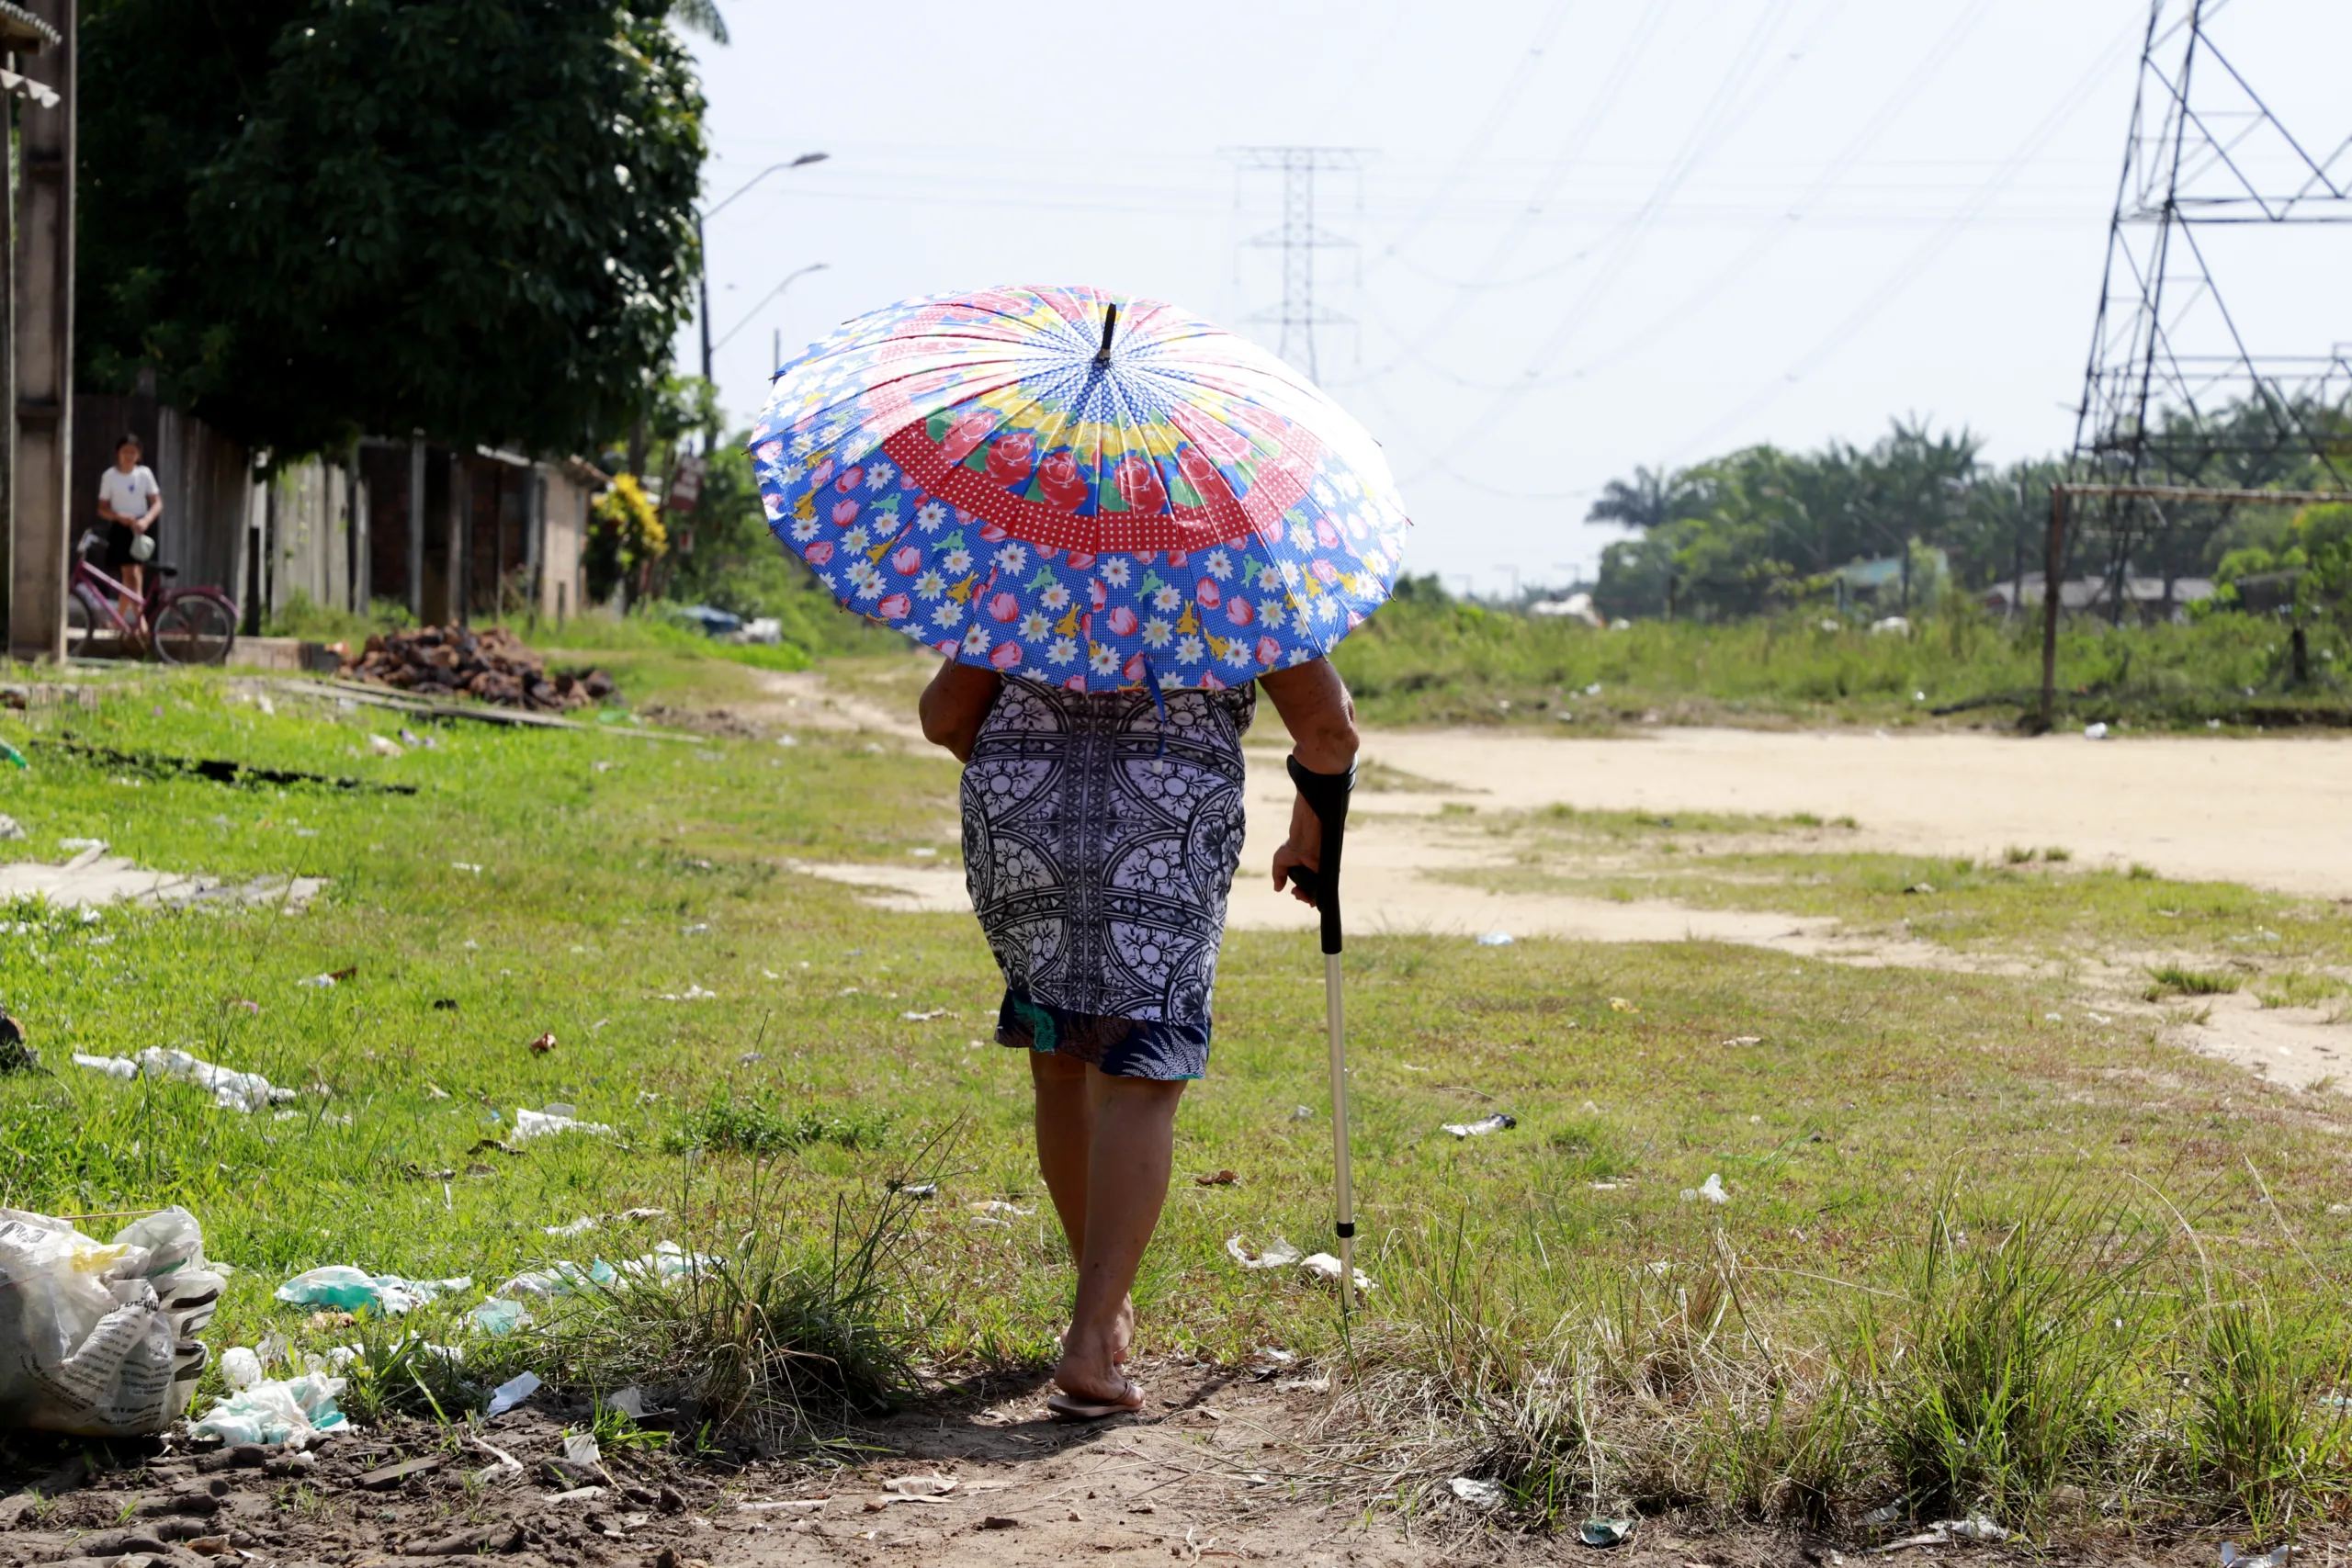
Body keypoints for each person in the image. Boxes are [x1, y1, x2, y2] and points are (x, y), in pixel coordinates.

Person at [921, 656, 1359, 1420]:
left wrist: (1037, 768)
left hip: (1021, 811)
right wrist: (1309, 832)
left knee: (1059, 1060)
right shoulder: (1226, 558)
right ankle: (1091, 1338)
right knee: (1141, 1076)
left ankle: (1102, 1304)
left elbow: (945, 717)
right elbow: (1328, 731)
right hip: (1161, 816)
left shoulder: (1035, 548)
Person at [96, 434, 163, 626]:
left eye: (133, 452)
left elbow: (157, 502)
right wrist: (118, 517)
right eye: (125, 451)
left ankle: (119, 621)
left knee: (133, 576)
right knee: (131, 575)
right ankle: (140, 623)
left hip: (141, 529)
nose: (129, 455)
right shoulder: (109, 476)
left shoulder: (144, 474)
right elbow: (102, 508)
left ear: (139, 455)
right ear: (118, 453)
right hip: (121, 529)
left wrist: (147, 521)